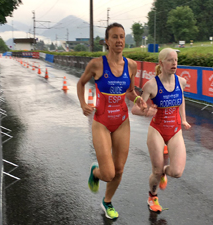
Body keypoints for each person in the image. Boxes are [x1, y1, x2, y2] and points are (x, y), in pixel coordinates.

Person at [76, 22, 147, 220]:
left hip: (122, 121)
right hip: (101, 122)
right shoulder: (97, 64)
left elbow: (130, 92)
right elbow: (81, 83)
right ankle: (95, 172)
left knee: (119, 169)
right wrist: (83, 104)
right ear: (107, 41)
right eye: (114, 37)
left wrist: (139, 99)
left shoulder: (131, 65)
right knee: (108, 173)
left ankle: (107, 201)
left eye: (122, 36)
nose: (119, 40)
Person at [131, 48, 191, 212]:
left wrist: (184, 119)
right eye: (170, 60)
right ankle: (152, 196)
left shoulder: (181, 81)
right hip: (157, 129)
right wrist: (147, 111)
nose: (174, 63)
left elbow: (181, 98)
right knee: (155, 171)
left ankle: (163, 172)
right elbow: (134, 110)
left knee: (177, 172)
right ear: (161, 63)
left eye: (176, 60)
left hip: (175, 130)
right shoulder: (151, 85)